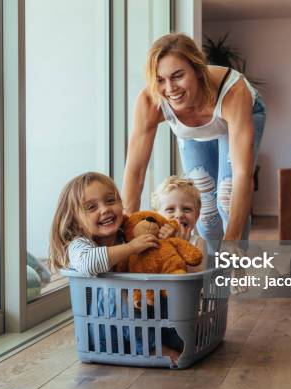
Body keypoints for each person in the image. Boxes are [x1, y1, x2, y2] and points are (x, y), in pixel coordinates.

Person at [122, 33, 267, 241]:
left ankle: (235, 267)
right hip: (195, 132)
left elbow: (242, 174)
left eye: (178, 76)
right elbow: (135, 173)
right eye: (160, 80)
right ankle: (211, 269)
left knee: (226, 196)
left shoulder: (234, 91)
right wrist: (125, 235)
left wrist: (232, 241)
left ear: (198, 70)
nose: (170, 89)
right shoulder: (150, 100)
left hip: (240, 116)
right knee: (205, 210)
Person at [48, 171, 181, 363]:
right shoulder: (79, 244)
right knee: (115, 289)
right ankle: (152, 349)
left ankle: (175, 339)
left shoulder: (126, 234)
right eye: (91, 207)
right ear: (74, 219)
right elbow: (89, 263)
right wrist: (131, 247)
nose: (105, 209)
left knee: (160, 286)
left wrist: (165, 238)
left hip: (139, 324)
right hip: (104, 334)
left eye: (110, 201)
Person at [152, 175, 207, 272]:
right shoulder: (153, 239)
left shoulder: (198, 243)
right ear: (157, 216)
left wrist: (181, 246)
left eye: (186, 209)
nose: (179, 215)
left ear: (197, 215)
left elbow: (196, 276)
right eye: (170, 209)